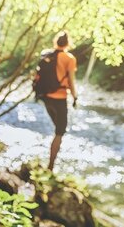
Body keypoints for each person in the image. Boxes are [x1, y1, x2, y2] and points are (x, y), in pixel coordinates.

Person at [42, 31, 78, 171]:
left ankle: (50, 163)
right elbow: (71, 80)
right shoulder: (69, 58)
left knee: (57, 129)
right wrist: (75, 97)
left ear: (55, 42)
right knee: (60, 131)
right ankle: (50, 166)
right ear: (68, 43)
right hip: (60, 98)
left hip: (45, 97)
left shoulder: (46, 55)